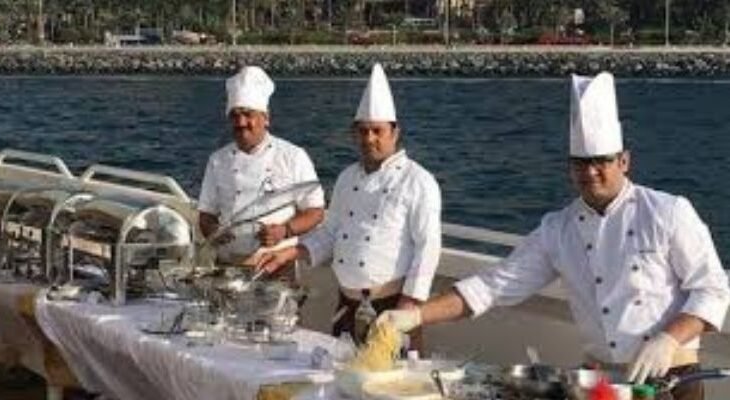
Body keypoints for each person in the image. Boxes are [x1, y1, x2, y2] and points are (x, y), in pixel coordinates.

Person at [376, 72, 730, 400]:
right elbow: (492, 286)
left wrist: (669, 339)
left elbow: (712, 288)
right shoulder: (558, 229)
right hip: (601, 381)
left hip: (671, 376)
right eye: (580, 162)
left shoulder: (667, 211)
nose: (590, 172)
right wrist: (415, 316)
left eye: (601, 161)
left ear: (624, 161)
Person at [256, 64, 442, 348]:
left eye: (377, 131)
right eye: (363, 131)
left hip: (393, 308)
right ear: (354, 134)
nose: (369, 139)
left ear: (395, 133)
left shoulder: (418, 181)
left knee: (390, 388)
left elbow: (427, 247)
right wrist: (288, 254)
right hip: (346, 305)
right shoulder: (346, 177)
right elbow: (330, 232)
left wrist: (409, 307)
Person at [197, 66, 325, 267]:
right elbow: (206, 215)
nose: (241, 122)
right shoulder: (217, 160)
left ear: (266, 118)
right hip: (227, 264)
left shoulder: (293, 156)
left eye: (248, 114)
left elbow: (316, 211)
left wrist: (285, 231)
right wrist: (214, 232)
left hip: (276, 263)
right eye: (235, 115)